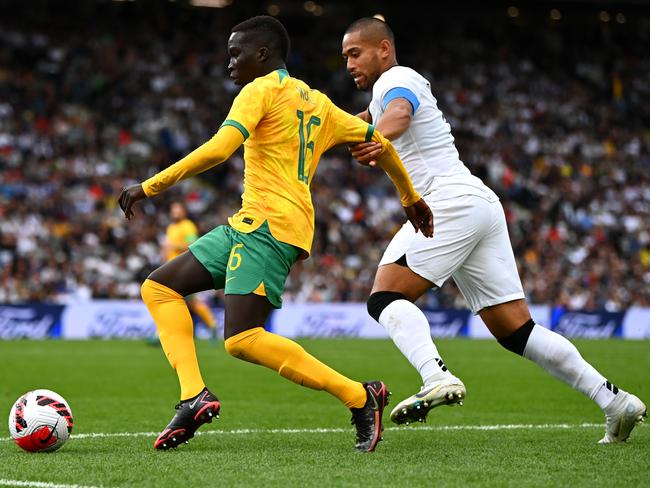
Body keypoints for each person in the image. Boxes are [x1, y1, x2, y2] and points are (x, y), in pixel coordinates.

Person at [118, 15, 433, 452]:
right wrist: (410, 198)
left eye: (235, 54)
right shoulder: (319, 104)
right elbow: (379, 142)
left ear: (262, 55)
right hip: (249, 224)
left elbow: (219, 149)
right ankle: (193, 395)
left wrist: (150, 186)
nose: (230, 64)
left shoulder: (260, 89)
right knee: (159, 288)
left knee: (243, 340)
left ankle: (361, 396)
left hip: (270, 227)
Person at [341, 17, 646, 443]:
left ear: (384, 49)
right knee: (517, 331)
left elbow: (398, 114)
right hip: (478, 204)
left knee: (385, 297)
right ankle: (614, 400)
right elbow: (349, 124)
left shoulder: (396, 78)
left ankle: (435, 375)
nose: (349, 64)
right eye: (345, 57)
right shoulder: (379, 97)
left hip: (448, 200)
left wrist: (377, 136)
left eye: (355, 53)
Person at [162, 201, 218, 340]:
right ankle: (210, 326)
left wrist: (173, 245)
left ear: (184, 212)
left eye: (178, 210)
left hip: (182, 268)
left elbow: (193, 244)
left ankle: (212, 325)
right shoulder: (171, 227)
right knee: (183, 302)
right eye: (173, 210)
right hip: (171, 268)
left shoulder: (188, 226)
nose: (175, 213)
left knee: (182, 301)